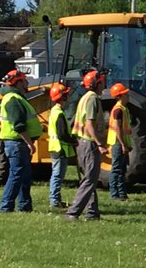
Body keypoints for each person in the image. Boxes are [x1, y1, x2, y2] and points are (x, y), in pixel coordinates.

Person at [0, 69, 42, 213]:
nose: (27, 83)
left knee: (24, 176)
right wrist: (29, 143)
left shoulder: (16, 98)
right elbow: (19, 125)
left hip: (18, 143)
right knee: (16, 175)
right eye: (25, 80)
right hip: (17, 143)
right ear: (18, 83)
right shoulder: (13, 100)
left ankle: (25, 206)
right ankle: (5, 207)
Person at [66, 69, 107, 221]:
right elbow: (89, 123)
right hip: (89, 143)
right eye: (102, 82)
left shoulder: (85, 97)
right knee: (90, 179)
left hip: (83, 143)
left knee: (90, 178)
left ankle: (92, 212)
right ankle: (73, 212)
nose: (104, 85)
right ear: (96, 84)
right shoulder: (92, 99)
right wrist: (99, 143)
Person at [46, 82, 76, 209]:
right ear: (62, 97)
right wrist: (73, 141)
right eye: (66, 95)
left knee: (57, 175)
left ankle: (56, 200)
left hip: (56, 147)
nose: (68, 97)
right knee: (57, 175)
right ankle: (54, 201)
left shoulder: (56, 111)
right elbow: (62, 134)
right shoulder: (58, 113)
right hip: (59, 148)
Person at [106, 82, 132, 201]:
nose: (128, 96)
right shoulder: (118, 110)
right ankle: (114, 193)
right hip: (118, 142)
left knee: (122, 169)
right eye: (125, 94)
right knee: (117, 169)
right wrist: (123, 144)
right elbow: (118, 128)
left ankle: (122, 194)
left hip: (121, 142)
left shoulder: (123, 109)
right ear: (119, 96)